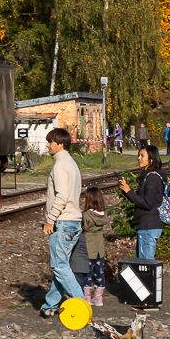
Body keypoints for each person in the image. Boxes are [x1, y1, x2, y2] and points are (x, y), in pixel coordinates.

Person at [39, 128, 87, 318]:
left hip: (63, 222)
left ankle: (82, 306)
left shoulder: (60, 165)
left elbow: (62, 196)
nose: (47, 145)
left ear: (60, 144)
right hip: (73, 222)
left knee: (59, 267)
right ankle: (50, 305)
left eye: (50, 142)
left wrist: (50, 220)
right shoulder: (72, 163)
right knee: (62, 266)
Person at [119, 145, 167, 260]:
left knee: (145, 265)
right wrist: (126, 191)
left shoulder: (152, 178)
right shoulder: (149, 176)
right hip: (146, 226)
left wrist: (129, 191)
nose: (139, 159)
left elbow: (147, 203)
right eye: (138, 156)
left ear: (151, 159)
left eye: (142, 156)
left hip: (149, 225)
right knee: (142, 264)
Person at [77, 187, 112, 306]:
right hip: (99, 248)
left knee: (87, 273)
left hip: (88, 247)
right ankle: (98, 297)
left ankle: (86, 297)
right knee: (99, 272)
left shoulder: (86, 215)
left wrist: (80, 214)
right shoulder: (103, 214)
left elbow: (84, 228)